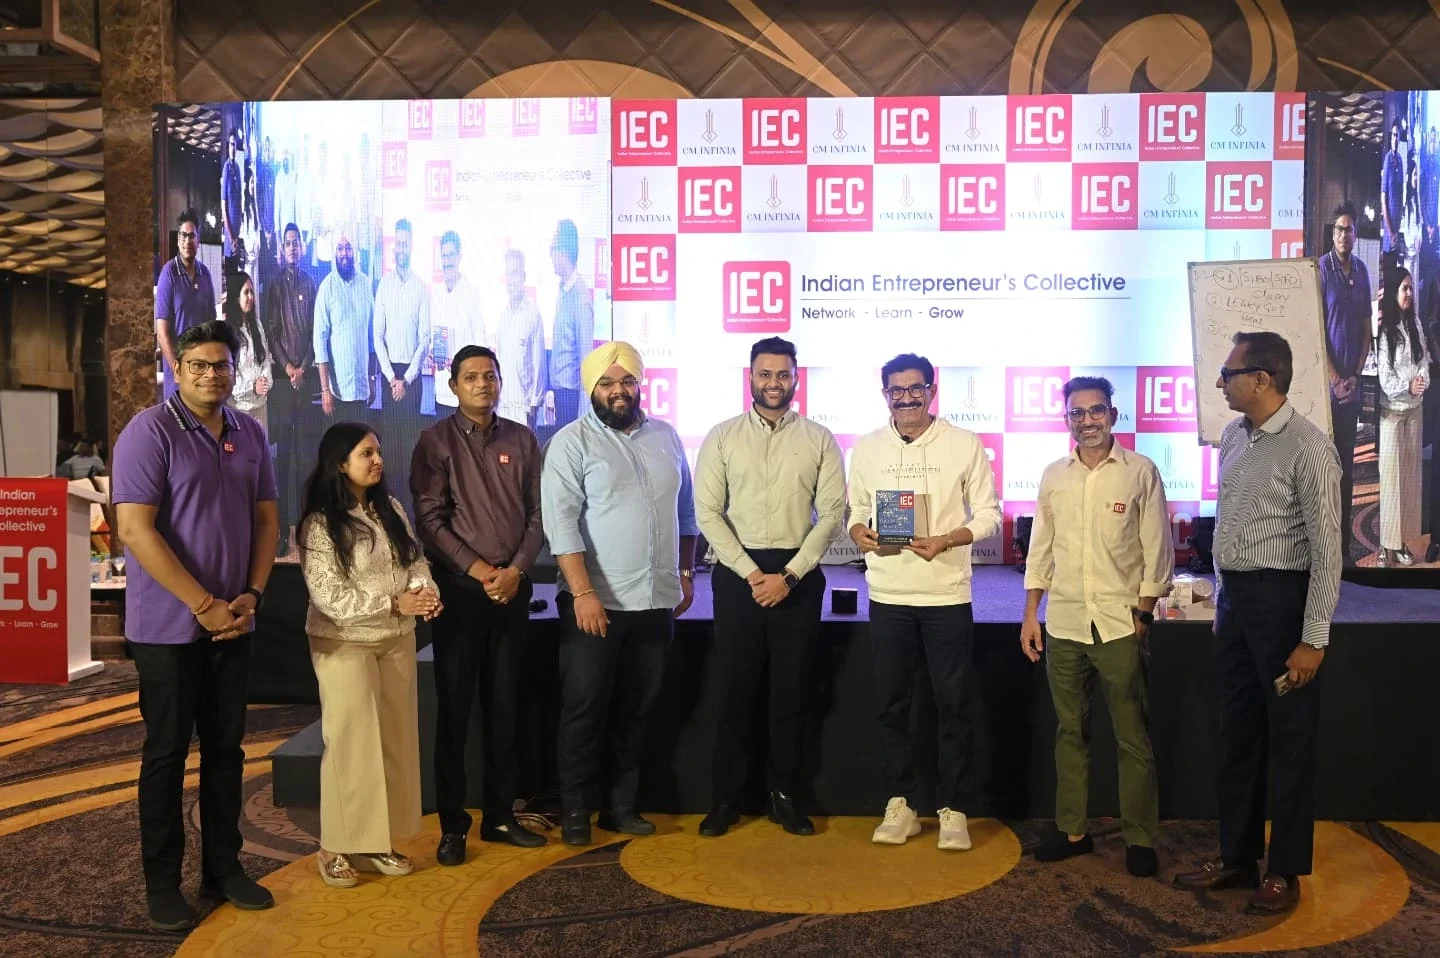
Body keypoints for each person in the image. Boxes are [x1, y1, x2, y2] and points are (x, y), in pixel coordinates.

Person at [110, 320, 279, 929]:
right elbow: (134, 530)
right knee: (166, 754)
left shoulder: (248, 432)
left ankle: (223, 869)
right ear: (177, 370)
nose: (212, 375)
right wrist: (203, 603)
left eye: (221, 365)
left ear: (235, 371)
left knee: (226, 752)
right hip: (167, 630)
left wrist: (252, 594)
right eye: (199, 365)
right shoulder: (149, 431)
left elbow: (266, 520)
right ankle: (162, 883)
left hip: (235, 621)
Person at [1174, 332, 1341, 916]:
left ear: (1262, 379)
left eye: (1229, 372)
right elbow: (1228, 527)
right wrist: (1223, 602)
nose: (1221, 382)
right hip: (1237, 606)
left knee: (1289, 742)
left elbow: (1328, 552)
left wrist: (1313, 639)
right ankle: (1238, 856)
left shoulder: (1310, 448)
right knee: (1236, 735)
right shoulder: (1232, 436)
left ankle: (1285, 870)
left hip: (1283, 604)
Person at [541, 341, 697, 846]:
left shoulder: (666, 437)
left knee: (637, 710)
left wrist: (685, 573)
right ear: (591, 389)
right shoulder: (571, 443)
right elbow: (561, 524)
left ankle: (621, 807)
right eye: (607, 383)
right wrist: (582, 592)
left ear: (639, 383)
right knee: (584, 710)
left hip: (655, 601)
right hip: (595, 604)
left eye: (627, 380)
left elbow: (686, 513)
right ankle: (575, 812)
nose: (618, 391)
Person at [845, 353, 1001, 850]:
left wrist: (949, 539)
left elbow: (990, 516)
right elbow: (856, 510)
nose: (907, 398)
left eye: (916, 389)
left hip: (946, 595)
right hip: (888, 594)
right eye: (897, 390)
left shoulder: (964, 444)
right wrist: (859, 532)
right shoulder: (867, 448)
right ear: (885, 394)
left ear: (932, 391)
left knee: (953, 706)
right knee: (892, 705)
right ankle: (901, 803)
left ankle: (954, 807)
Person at [1020, 376, 1174, 878]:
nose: (1087, 421)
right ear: (1067, 419)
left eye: (1096, 411)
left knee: (1132, 736)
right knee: (1070, 732)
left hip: (1119, 624)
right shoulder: (1054, 476)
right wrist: (1031, 613)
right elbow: (1041, 550)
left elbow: (1158, 550)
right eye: (1077, 413)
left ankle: (1140, 838)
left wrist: (1144, 614)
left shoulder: (1140, 472)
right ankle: (1072, 831)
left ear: (1113, 414)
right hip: (1063, 622)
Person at [693, 336, 845, 838]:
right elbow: (707, 513)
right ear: (750, 377)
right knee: (737, 692)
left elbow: (833, 514)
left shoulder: (820, 439)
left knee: (791, 693)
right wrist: (751, 573)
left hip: (797, 576)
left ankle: (785, 797)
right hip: (739, 575)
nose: (773, 383)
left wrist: (791, 576)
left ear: (796, 378)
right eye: (765, 374)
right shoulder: (722, 436)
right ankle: (727, 799)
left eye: (783, 374)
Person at [411, 345, 548, 865]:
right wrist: (478, 570)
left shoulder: (522, 438)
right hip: (461, 594)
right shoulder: (435, 441)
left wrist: (516, 570)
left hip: (512, 590)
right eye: (471, 377)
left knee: (505, 707)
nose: (482, 384)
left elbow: (539, 513)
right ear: (453, 386)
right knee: (455, 713)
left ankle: (500, 816)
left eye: (490, 375)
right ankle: (453, 827)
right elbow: (430, 519)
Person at [299, 422, 441, 888]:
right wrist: (394, 603)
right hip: (345, 641)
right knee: (351, 743)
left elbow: (415, 561)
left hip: (396, 638)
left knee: (394, 741)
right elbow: (329, 598)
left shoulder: (390, 508)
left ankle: (375, 841)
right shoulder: (321, 524)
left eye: (378, 452)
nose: (377, 460)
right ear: (340, 463)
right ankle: (334, 847)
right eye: (366, 453)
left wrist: (425, 593)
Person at [265, 222, 320, 556]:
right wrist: (288, 368)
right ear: (282, 249)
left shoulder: (310, 283)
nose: (292, 248)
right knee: (283, 460)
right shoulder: (274, 286)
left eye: (296, 242)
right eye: (287, 243)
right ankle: (283, 531)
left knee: (306, 459)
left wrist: (304, 366)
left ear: (302, 247)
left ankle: (306, 529)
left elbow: (316, 331)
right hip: (284, 385)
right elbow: (272, 333)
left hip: (307, 379)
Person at [1319, 201, 1371, 557]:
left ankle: (1344, 544)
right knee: (1325, 467)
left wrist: (1353, 376)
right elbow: (1315, 330)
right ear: (1332, 233)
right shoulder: (1322, 269)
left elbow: (1367, 328)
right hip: (1326, 389)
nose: (1343, 235)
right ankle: (1324, 541)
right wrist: (1336, 378)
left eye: (1349, 229)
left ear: (1355, 234)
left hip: (1352, 387)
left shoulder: (1363, 271)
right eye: (1338, 229)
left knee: (1347, 466)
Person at [373, 217, 430, 512]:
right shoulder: (384, 285)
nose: (401, 248)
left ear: (412, 246)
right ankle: (389, 511)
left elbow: (425, 339)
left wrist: (405, 379)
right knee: (390, 450)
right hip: (389, 375)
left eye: (406, 243)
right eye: (398, 243)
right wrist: (391, 378)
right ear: (393, 246)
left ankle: (408, 512)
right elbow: (377, 336)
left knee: (409, 449)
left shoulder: (421, 287)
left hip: (411, 380)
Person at [1375, 266, 1429, 566]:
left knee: (1410, 482)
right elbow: (1385, 378)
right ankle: (1386, 545)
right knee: (1391, 482)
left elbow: (1424, 361)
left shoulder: (1415, 323)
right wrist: (1407, 386)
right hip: (1392, 415)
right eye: (1403, 288)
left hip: (1414, 412)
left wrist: (1421, 381)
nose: (1408, 293)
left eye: (1410, 288)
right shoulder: (1386, 331)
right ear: (1394, 292)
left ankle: (1404, 542)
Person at [156, 209, 218, 399]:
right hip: (178, 377)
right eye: (183, 235)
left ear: (198, 241)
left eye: (192, 236)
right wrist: (180, 371)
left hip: (202, 373)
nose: (187, 241)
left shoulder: (205, 273)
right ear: (178, 240)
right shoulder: (168, 274)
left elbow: (211, 325)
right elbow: (162, 333)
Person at [314, 231, 376, 422]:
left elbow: (371, 337)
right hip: (337, 392)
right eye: (340, 248)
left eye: (348, 248)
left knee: (360, 440)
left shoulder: (365, 284)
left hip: (362, 388)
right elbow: (319, 341)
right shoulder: (327, 287)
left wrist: (372, 377)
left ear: (354, 251)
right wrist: (325, 389)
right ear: (334, 252)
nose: (344, 254)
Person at [430, 230, 485, 413]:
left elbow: (480, 347)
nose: (447, 261)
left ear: (459, 257)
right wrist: (432, 353)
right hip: (441, 390)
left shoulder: (472, 293)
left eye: (451, 255)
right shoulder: (436, 294)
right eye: (444, 256)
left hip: (465, 394)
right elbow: (434, 338)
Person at [546, 219, 594, 429]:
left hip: (572, 396)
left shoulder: (580, 299)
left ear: (563, 251)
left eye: (552, 249)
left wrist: (584, 414)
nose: (550, 256)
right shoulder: (563, 289)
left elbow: (586, 359)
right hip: (560, 392)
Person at [494, 248, 547, 427]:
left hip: (524, 408)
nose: (511, 280)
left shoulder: (533, 314)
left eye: (515, 273)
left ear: (523, 276)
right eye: (508, 274)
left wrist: (534, 404)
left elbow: (539, 364)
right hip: (502, 406)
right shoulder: (502, 316)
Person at [225, 271, 272, 434]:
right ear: (236, 297)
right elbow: (229, 377)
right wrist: (252, 387)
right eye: (246, 292)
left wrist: (264, 382)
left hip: (260, 407)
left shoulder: (257, 325)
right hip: (239, 411)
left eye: (252, 292)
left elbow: (265, 360)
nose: (251, 297)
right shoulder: (228, 331)